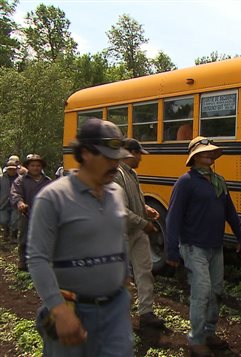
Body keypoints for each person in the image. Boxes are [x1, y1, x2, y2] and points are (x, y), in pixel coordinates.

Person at [27, 118, 133, 356]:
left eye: (117, 158)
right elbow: (37, 258)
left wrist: (124, 274)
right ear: (85, 153)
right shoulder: (53, 197)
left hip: (115, 310)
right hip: (73, 311)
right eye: (108, 157)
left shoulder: (116, 193)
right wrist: (59, 310)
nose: (115, 164)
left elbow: (120, 237)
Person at [165, 136, 241, 357]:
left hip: (215, 246)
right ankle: (196, 340)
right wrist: (171, 249)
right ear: (194, 157)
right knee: (202, 291)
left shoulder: (218, 181)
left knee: (216, 291)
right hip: (193, 246)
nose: (210, 154)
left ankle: (209, 332)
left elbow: (229, 211)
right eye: (205, 152)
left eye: (211, 152)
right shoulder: (186, 182)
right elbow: (173, 217)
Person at [113, 138, 165, 329]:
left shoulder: (131, 174)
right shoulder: (116, 175)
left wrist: (146, 208)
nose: (140, 159)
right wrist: (145, 224)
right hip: (122, 233)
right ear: (128, 152)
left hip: (137, 232)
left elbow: (132, 200)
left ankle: (146, 312)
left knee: (144, 272)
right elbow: (121, 209)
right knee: (121, 276)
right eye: (138, 154)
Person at [11, 153, 52, 271]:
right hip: (26, 214)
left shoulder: (47, 181)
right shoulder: (21, 180)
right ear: (28, 167)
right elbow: (15, 194)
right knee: (24, 238)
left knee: (43, 239)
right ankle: (23, 262)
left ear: (41, 167)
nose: (35, 168)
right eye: (33, 165)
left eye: (38, 165)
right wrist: (20, 203)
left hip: (43, 216)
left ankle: (41, 262)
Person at [0, 160, 20, 242]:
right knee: (3, 220)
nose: (11, 171)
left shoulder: (20, 179)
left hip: (15, 203)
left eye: (13, 169)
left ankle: (14, 236)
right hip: (3, 203)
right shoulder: (1, 179)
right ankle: (6, 231)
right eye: (10, 169)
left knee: (14, 221)